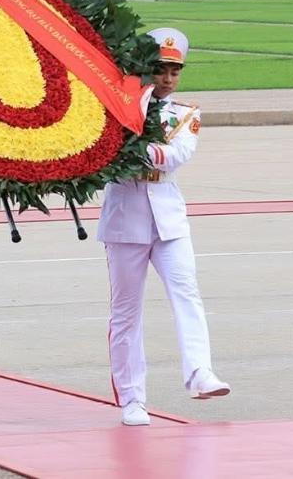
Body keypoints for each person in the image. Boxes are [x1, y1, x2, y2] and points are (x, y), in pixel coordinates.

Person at [99, 28, 230, 428]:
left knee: (187, 293)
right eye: (160, 69)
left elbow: (175, 156)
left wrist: (134, 148)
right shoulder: (116, 108)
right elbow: (104, 153)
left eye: (175, 70)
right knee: (125, 312)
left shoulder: (186, 114)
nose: (168, 78)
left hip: (169, 219)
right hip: (124, 219)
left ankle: (199, 372)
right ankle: (132, 398)